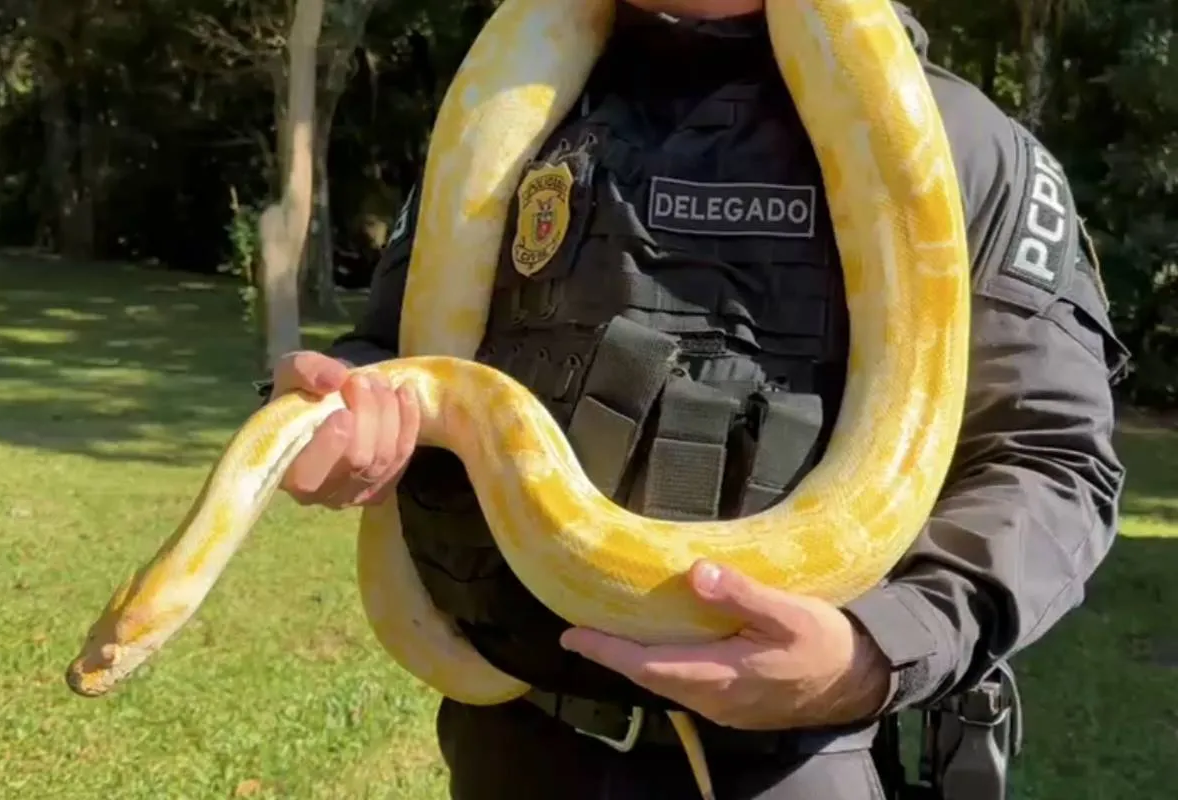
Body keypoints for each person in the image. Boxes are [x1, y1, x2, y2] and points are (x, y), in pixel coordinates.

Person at [257, 1, 1130, 797]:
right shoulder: (512, 106)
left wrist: (873, 653)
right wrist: (343, 410)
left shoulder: (960, 146)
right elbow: (398, 350)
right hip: (516, 744)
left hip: (791, 767)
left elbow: (1048, 460)